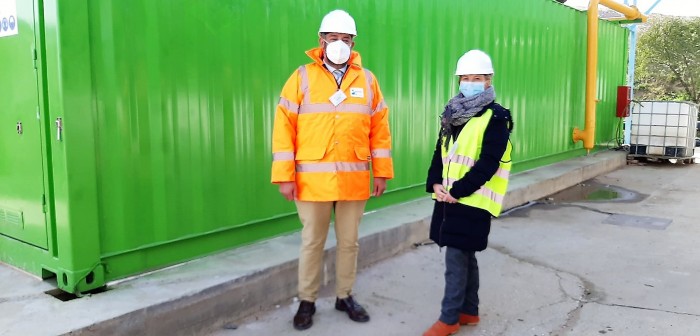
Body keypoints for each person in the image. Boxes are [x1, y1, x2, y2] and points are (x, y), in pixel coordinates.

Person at [270, 9, 394, 331]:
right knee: (312, 242)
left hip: (353, 179)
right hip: (311, 181)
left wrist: (381, 171)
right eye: (333, 38)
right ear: (321, 41)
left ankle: (344, 295)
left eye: (345, 39)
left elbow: (379, 129)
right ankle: (307, 300)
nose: (339, 44)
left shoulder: (367, 80)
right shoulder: (302, 77)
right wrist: (284, 176)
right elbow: (284, 128)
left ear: (353, 42)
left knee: (349, 242)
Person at [422, 50, 513, 336]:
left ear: (488, 81)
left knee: (455, 260)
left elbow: (489, 162)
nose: (470, 82)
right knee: (466, 256)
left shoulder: (496, 117)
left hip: (471, 200)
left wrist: (457, 191)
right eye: (466, 78)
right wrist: (435, 181)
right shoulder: (452, 113)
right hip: (450, 198)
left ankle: (449, 319)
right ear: (459, 80)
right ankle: (469, 311)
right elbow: (441, 151)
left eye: (477, 78)